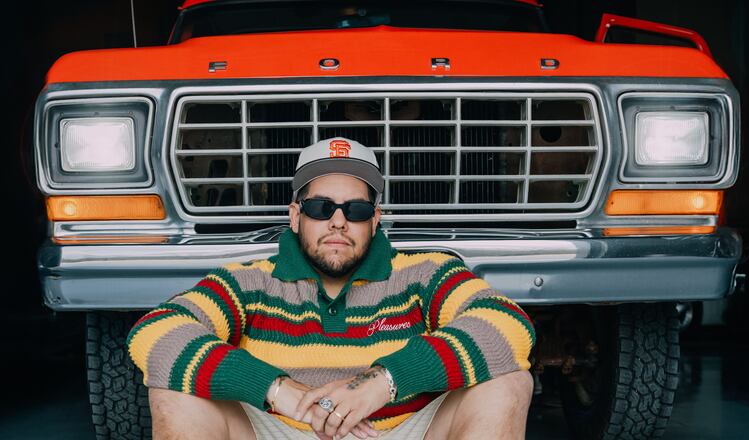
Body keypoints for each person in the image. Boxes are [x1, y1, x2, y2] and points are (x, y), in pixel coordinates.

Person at [127, 137, 537, 440]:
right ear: (295, 216)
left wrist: (383, 383)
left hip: (395, 432)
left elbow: (507, 324)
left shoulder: (425, 273)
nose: (338, 222)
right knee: (176, 392)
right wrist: (277, 390)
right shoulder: (247, 280)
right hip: (282, 430)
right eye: (321, 208)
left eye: (355, 210)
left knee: (508, 383)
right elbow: (155, 331)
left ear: (375, 221)